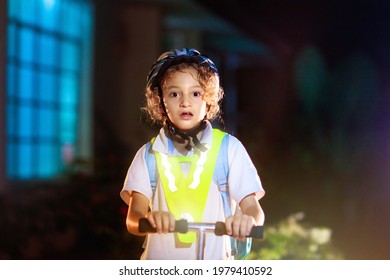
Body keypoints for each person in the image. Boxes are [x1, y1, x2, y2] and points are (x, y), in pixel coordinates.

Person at [120, 48, 265, 260]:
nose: (185, 102)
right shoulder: (148, 155)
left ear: (208, 100)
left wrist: (247, 222)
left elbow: (253, 209)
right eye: (174, 93)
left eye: (195, 93)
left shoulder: (229, 149)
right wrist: (149, 220)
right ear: (161, 102)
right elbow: (133, 219)